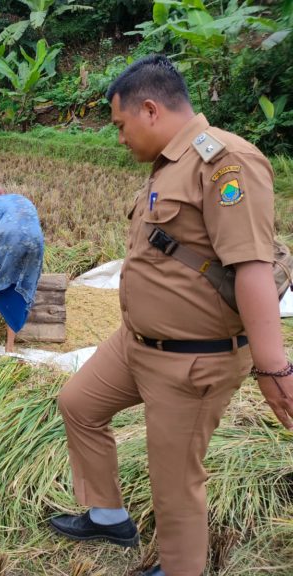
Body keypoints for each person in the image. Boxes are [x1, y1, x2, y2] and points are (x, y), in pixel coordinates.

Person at [49, 55, 293, 576]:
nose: (119, 138)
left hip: (191, 361)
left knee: (174, 485)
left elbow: (250, 266)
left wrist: (273, 368)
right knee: (78, 403)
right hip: (135, 344)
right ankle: (109, 515)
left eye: (121, 125)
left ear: (151, 110)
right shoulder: (170, 164)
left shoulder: (226, 163)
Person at [0, 183, 44, 353]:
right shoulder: (19, 199)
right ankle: (10, 346)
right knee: (17, 285)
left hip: (10, 240)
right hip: (36, 243)